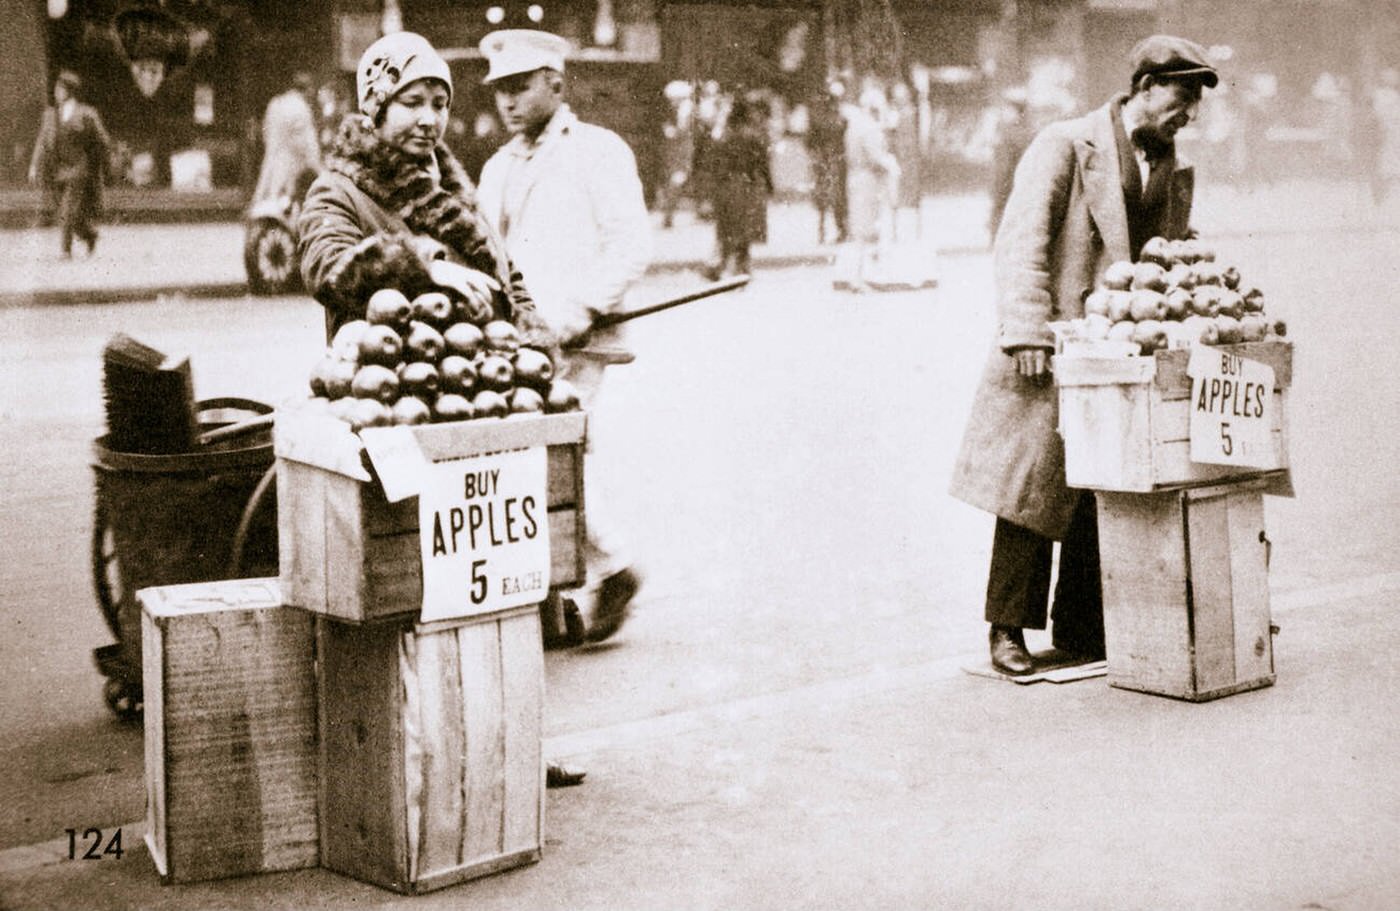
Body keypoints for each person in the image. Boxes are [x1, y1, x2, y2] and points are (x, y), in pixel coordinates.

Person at [297, 31, 586, 789]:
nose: (428, 119)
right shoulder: (339, 189)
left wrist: (532, 337)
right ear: (375, 104)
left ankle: (517, 739)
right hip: (395, 412)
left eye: (437, 104)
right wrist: (422, 263)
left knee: (502, 585)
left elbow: (506, 272)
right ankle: (422, 756)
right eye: (410, 102)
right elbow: (325, 263)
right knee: (413, 593)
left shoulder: (452, 190)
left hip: (479, 406)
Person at [948, 35, 1219, 676]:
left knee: (1107, 482)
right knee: (1031, 491)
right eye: (1182, 98)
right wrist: (1026, 332)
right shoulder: (1067, 143)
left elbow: (1166, 256)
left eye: (1196, 105)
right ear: (1145, 86)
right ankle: (1007, 629)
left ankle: (1079, 626)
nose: (1189, 116)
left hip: (1124, 349)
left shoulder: (1173, 167)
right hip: (1054, 344)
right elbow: (1022, 240)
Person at [476, 29, 652, 646]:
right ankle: (567, 589)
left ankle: (613, 566)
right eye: (499, 90)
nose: (507, 102)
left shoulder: (599, 152)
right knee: (538, 457)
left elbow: (631, 246)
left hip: (578, 341)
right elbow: (483, 254)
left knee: (556, 453)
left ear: (556, 82)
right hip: (516, 346)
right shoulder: (497, 167)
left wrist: (573, 314)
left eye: (519, 87)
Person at [29, 70, 110, 258]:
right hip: (56, 170)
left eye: (60, 89)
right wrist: (34, 166)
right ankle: (90, 235)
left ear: (70, 91)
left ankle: (65, 250)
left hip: (78, 169)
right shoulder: (50, 114)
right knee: (65, 213)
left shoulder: (86, 113)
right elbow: (41, 142)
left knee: (68, 209)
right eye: (56, 89)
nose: (57, 93)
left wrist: (99, 163)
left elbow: (102, 140)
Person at [836, 82, 899, 291]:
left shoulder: (855, 125)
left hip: (856, 177)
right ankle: (860, 276)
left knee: (861, 228)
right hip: (868, 180)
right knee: (866, 229)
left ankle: (861, 275)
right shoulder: (869, 128)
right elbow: (876, 156)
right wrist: (891, 164)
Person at [705, 93, 771, 279]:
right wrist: (768, 185)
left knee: (725, 227)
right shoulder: (752, 136)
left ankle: (719, 264)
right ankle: (741, 266)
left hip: (724, 185)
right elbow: (762, 163)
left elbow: (713, 164)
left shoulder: (722, 136)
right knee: (743, 228)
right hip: (746, 185)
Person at [252, 72, 321, 206]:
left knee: (266, 201)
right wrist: (320, 169)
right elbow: (308, 144)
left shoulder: (275, 103)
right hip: (291, 166)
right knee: (287, 204)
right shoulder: (302, 108)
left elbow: (266, 132)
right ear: (308, 89)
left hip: (271, 162)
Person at [806, 83, 848, 245]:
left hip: (827, 160)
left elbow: (810, 141)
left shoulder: (821, 118)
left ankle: (826, 230)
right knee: (835, 196)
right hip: (834, 159)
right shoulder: (841, 119)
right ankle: (837, 229)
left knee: (828, 196)